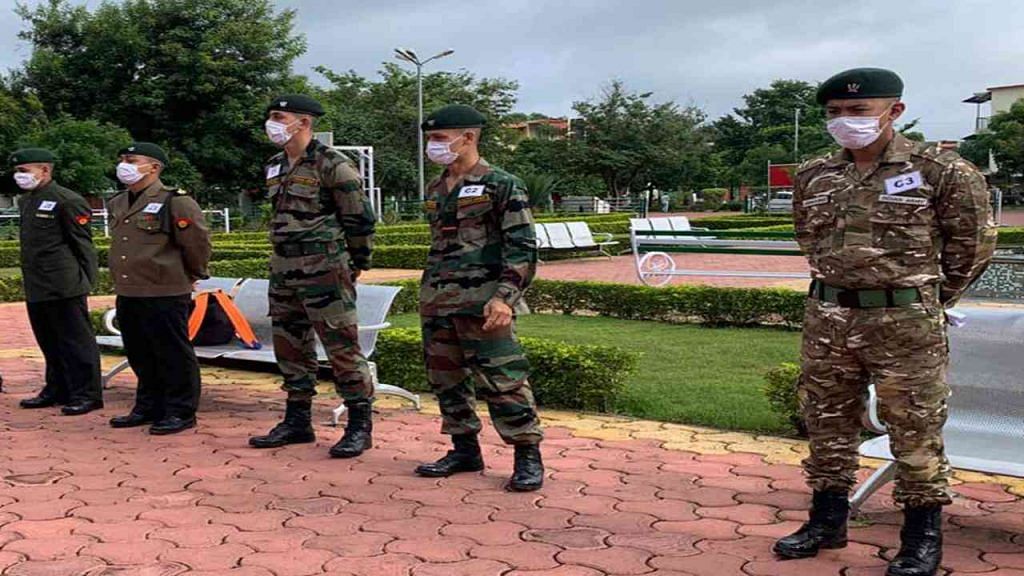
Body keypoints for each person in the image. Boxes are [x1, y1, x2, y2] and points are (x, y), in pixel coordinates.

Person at [773, 68, 997, 576]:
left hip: (904, 322)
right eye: (834, 112)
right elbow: (809, 237)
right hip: (828, 317)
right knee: (826, 422)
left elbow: (973, 247)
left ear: (894, 111)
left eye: (858, 110)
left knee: (914, 427)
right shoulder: (814, 174)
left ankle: (921, 538)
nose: (844, 120)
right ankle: (826, 521)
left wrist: (923, 297)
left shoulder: (942, 171)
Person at [414, 104, 544, 492]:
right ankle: (464, 450)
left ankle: (527, 455)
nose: (432, 146)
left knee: (503, 378)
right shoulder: (435, 188)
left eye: (439, 138)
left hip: (484, 301)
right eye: (430, 139)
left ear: (468, 137)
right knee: (446, 379)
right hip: (439, 299)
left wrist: (505, 297)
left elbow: (522, 246)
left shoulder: (502, 184)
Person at [248, 94, 378, 458]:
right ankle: (297, 421)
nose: (271, 123)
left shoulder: (333, 164)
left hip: (325, 269)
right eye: (271, 116)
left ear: (303, 122)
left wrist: (356, 262)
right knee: (290, 346)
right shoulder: (275, 165)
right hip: (284, 268)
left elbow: (360, 219)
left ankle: (359, 425)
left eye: (279, 116)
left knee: (341, 348)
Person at [106, 142, 212, 435]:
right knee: (139, 352)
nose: (124, 165)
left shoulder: (174, 201)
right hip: (130, 288)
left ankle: (180, 410)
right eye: (123, 159)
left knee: (172, 353)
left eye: (132, 160)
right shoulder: (118, 201)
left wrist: (192, 274)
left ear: (153, 167)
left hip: (165, 288)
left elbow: (197, 243)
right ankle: (148, 405)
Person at [11, 148, 103, 415]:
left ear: (45, 170)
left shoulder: (67, 200)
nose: (19, 176)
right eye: (17, 171)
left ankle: (87, 394)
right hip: (37, 282)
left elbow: (82, 244)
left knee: (75, 341)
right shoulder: (27, 200)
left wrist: (87, 280)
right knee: (49, 340)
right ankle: (57, 388)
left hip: (64, 282)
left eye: (24, 170)